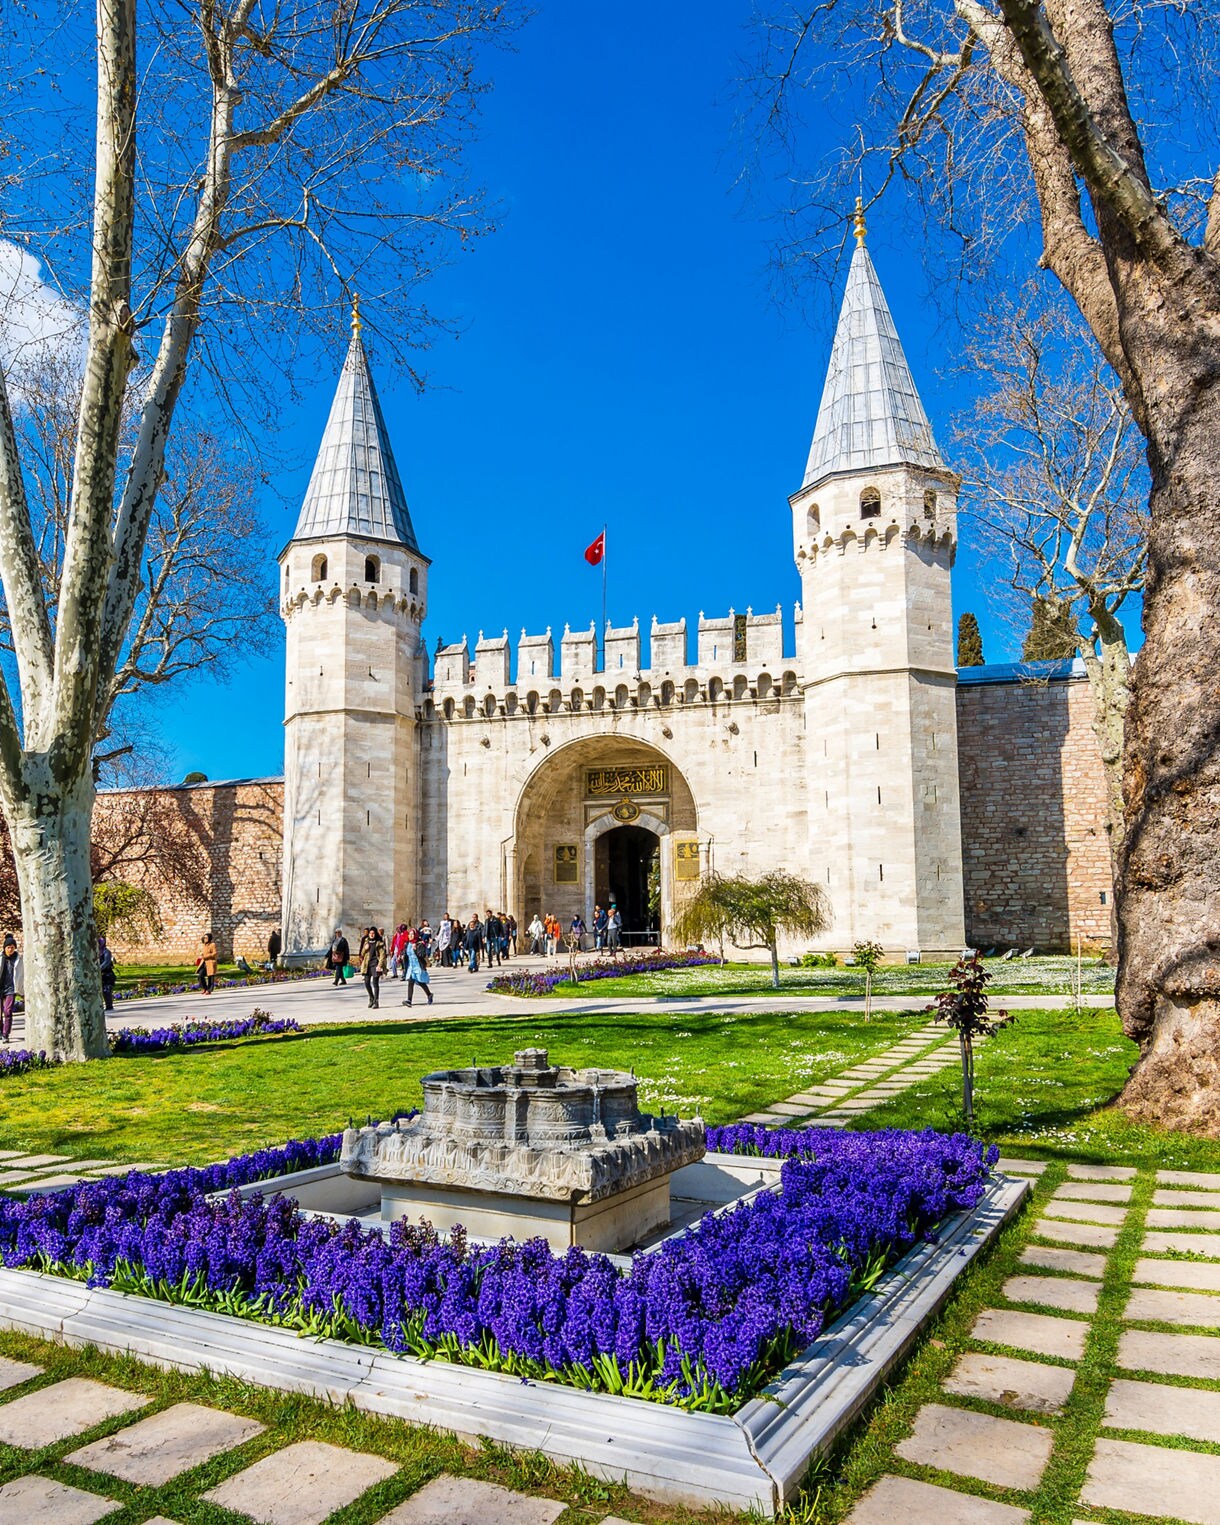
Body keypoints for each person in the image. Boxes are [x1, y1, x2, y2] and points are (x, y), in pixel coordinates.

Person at [402, 936, 434, 1007]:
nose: (410, 936)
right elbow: (406, 954)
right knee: (411, 981)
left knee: (420, 982)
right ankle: (409, 1000)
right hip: (411, 966)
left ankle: (429, 994)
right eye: (409, 934)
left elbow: (422, 955)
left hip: (418, 965)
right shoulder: (407, 944)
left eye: (412, 934)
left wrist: (416, 949)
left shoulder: (419, 944)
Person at [360, 926, 386, 1009]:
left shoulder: (379, 942)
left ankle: (376, 1001)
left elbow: (382, 955)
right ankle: (371, 997)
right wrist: (365, 948)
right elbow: (362, 953)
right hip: (367, 964)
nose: (371, 935)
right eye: (370, 933)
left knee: (375, 983)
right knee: (367, 983)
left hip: (375, 964)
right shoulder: (366, 941)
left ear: (375, 934)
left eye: (373, 933)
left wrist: (380, 965)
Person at [0, 934, 17, 1044]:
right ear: (4, 948)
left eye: (12, 947)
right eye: (8, 947)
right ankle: (1, 1032)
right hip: (0, 988)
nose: (10, 949)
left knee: (8, 1011)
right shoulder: (1, 958)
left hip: (11, 988)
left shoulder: (18, 959)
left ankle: (6, 1034)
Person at [98, 936, 116, 1012]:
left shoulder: (106, 952)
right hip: (99, 975)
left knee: (106, 990)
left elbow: (106, 963)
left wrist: (98, 969)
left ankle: (109, 1006)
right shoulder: (94, 952)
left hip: (107, 974)